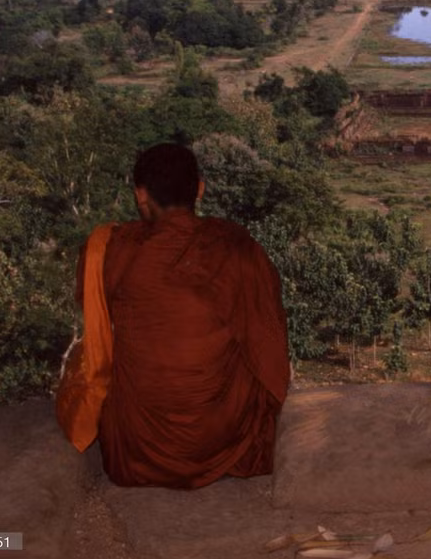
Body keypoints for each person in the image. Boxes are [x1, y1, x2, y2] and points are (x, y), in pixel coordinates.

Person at [76, 142, 290, 488]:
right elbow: (270, 352)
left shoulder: (110, 248)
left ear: (140, 194)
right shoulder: (235, 246)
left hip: (136, 451)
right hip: (221, 439)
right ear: (200, 189)